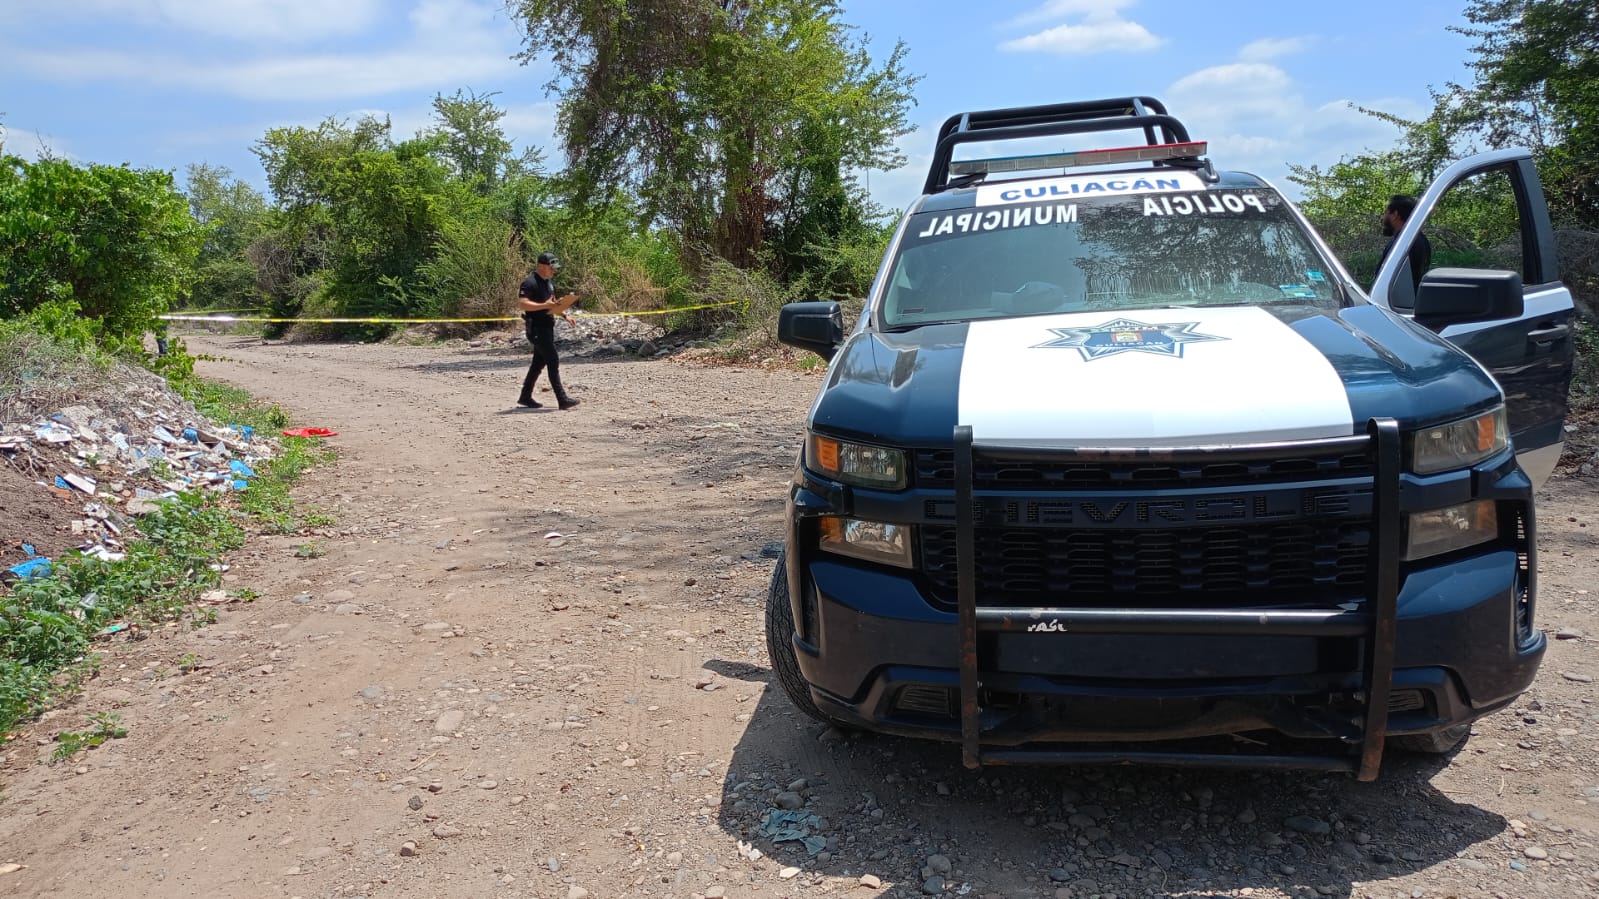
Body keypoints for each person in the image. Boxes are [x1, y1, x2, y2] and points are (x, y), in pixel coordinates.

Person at [516, 251, 581, 410]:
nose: (554, 271)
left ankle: (525, 396)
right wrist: (545, 305)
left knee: (538, 363)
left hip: (547, 328)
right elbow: (523, 304)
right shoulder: (529, 283)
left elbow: (551, 304)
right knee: (552, 359)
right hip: (536, 328)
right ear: (541, 266)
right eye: (551, 268)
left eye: (554, 268)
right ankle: (562, 399)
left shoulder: (548, 283)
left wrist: (564, 314)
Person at [1377, 194, 1433, 293]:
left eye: (1386, 213)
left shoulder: (1401, 246)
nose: (1383, 217)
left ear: (1395, 215)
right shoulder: (1421, 240)